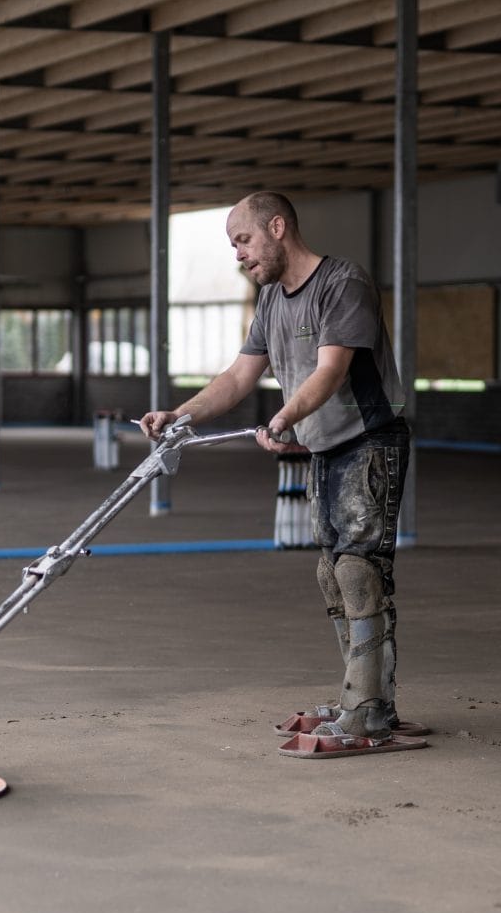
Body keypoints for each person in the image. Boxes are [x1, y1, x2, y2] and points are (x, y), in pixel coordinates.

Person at [140, 192, 422, 753]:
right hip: (324, 449)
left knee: (359, 571)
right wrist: (180, 414)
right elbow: (239, 377)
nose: (239, 255)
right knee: (331, 573)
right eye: (233, 246)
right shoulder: (270, 298)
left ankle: (367, 710)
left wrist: (288, 416)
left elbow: (330, 370)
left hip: (369, 440)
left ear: (277, 227)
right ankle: (365, 699)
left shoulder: (344, 283)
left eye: (243, 241)